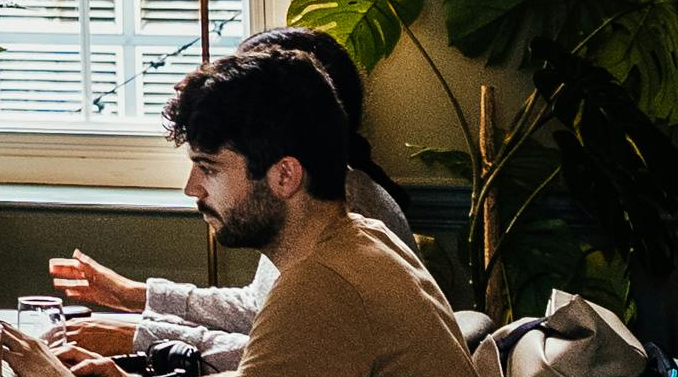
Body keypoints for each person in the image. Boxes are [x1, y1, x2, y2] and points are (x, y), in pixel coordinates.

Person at [0, 38, 507, 377]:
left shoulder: (324, 286)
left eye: (209, 168)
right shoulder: (357, 241)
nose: (192, 188)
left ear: (284, 176)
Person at [44, 27, 420, 359]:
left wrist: (144, 337)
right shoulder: (317, 198)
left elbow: (284, 358)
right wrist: (136, 296)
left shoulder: (344, 216)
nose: (191, 188)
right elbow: (259, 311)